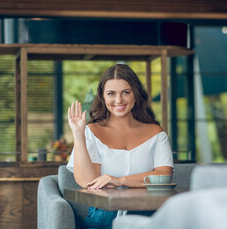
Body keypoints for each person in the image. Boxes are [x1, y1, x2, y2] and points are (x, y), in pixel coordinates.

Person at [66, 63, 174, 229]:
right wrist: (79, 135)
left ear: (136, 95)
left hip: (146, 210)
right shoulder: (91, 132)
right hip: (105, 213)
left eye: (126, 92)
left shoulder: (156, 133)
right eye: (111, 93)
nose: (118, 100)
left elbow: (164, 175)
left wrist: (119, 180)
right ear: (103, 97)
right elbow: (87, 181)